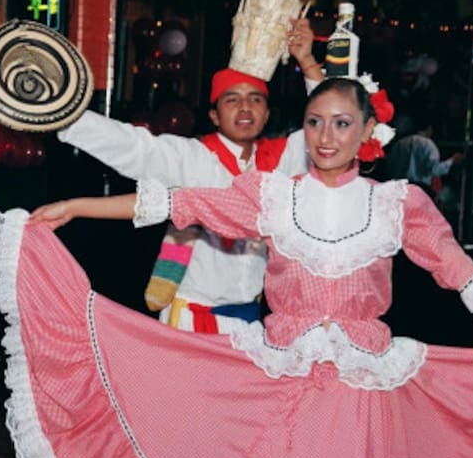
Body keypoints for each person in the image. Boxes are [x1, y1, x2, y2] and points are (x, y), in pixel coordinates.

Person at [0, 77, 473, 458]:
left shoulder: (399, 204)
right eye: (315, 122)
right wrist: (77, 206)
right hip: (280, 387)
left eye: (342, 123)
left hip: (361, 395)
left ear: (369, 131)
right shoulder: (275, 196)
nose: (326, 137)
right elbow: (177, 202)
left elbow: (468, 279)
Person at [56, 18, 321, 332]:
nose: (245, 107)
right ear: (214, 116)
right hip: (190, 319)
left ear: (266, 113)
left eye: (255, 99)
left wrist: (307, 62)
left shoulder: (280, 162)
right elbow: (136, 148)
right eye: (232, 100)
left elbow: (328, 130)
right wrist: (63, 115)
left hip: (250, 323)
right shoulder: (193, 156)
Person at [385, 111, 462, 198]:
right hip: (420, 191)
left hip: (398, 190)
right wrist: (452, 161)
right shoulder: (428, 145)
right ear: (429, 129)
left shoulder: (399, 144)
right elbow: (434, 169)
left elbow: (389, 166)